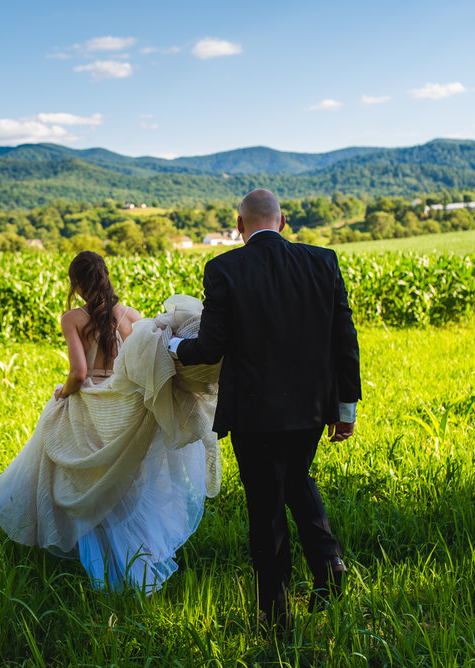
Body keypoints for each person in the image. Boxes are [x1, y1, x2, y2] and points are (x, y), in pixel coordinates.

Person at [169, 189, 361, 630]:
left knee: (265, 505)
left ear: (239, 226)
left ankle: (275, 613)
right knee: (296, 477)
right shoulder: (322, 261)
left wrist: (173, 345)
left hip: (255, 412)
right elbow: (344, 340)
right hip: (313, 409)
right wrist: (344, 407)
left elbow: (211, 346)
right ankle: (329, 568)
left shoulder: (224, 269)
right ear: (284, 221)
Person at [0, 251, 222, 593]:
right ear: (106, 276)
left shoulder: (73, 318)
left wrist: (61, 394)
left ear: (77, 284)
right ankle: (136, 559)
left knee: (84, 482)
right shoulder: (131, 317)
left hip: (90, 405)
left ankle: (98, 567)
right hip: (126, 404)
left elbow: (79, 374)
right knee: (129, 483)